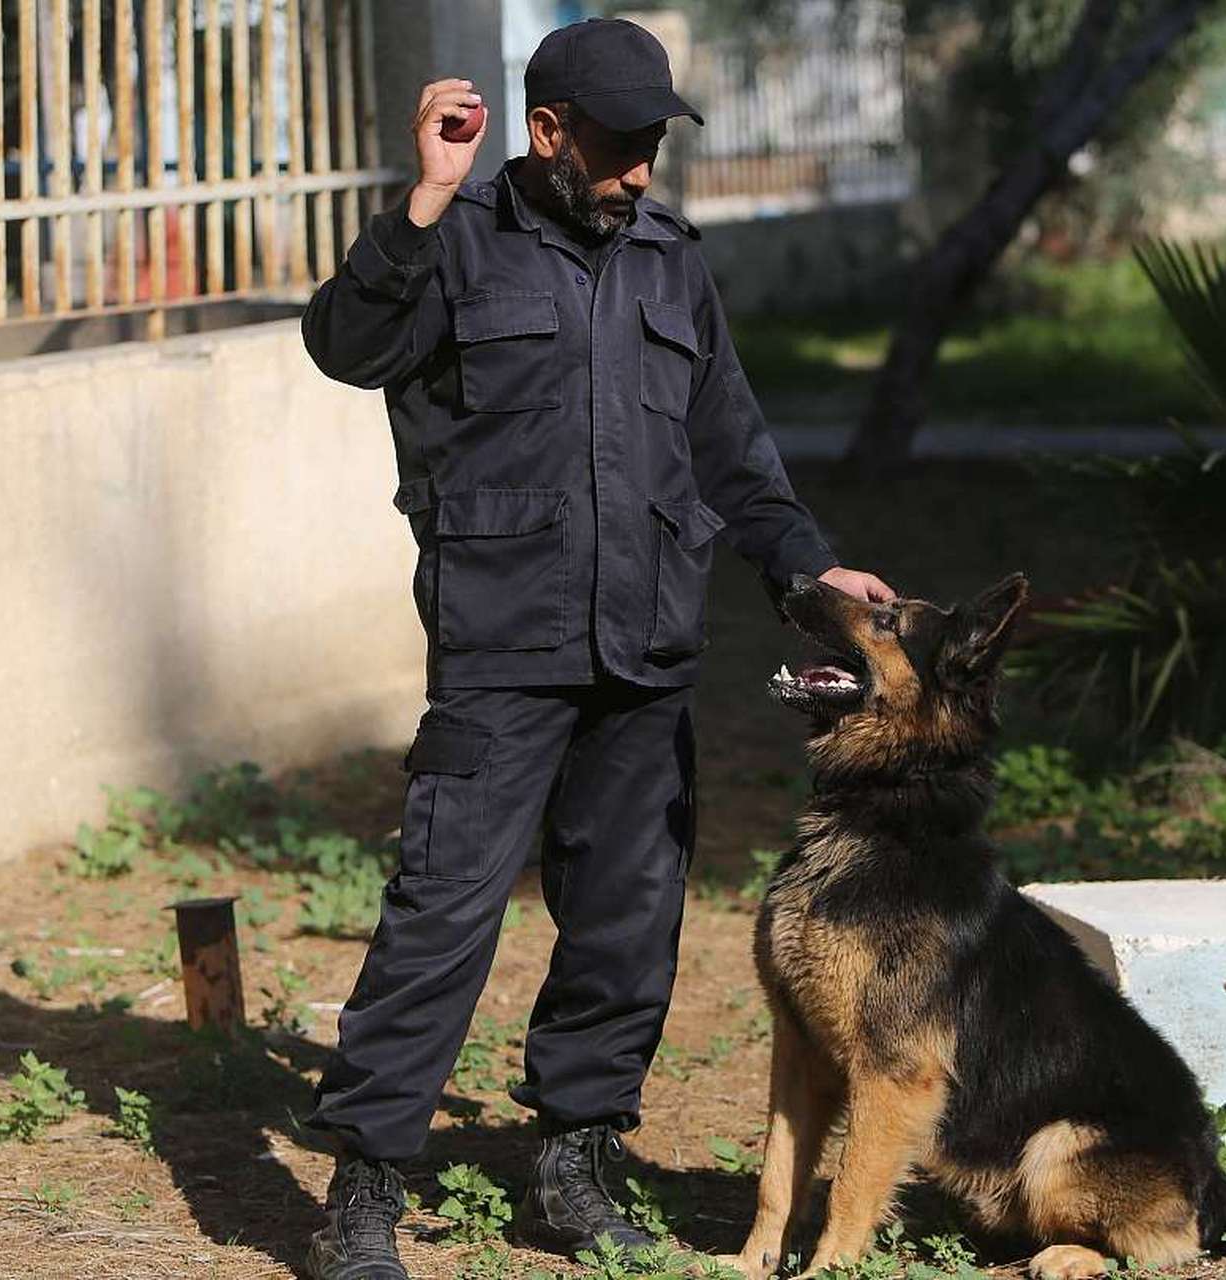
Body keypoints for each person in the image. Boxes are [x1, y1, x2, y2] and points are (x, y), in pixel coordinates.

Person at [297, 17, 893, 1280]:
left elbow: (733, 449)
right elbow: (344, 347)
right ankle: (363, 1186)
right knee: (444, 911)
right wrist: (419, 201)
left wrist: (806, 563)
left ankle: (574, 1155)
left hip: (649, 636)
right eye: (617, 144)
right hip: (501, 637)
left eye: (652, 146)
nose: (637, 170)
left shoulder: (671, 259)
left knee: (628, 914)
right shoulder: (451, 241)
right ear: (548, 132)